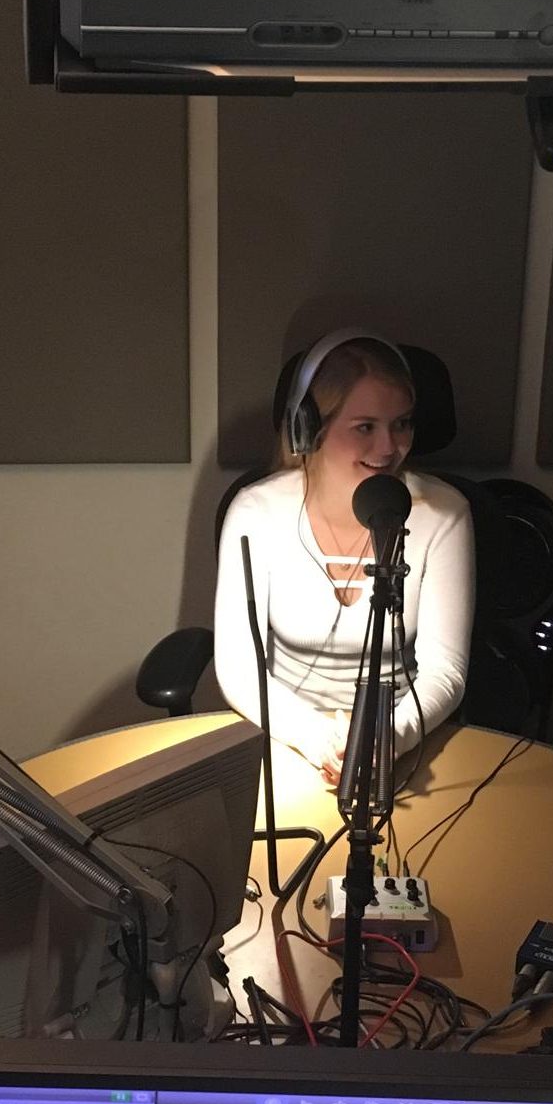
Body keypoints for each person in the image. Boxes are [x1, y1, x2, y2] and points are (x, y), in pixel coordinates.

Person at [214, 332, 474, 785]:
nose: (389, 448)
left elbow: (445, 669)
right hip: (288, 742)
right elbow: (238, 667)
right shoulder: (256, 512)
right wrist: (318, 740)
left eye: (402, 424)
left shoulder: (443, 514)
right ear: (309, 428)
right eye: (365, 427)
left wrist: (388, 738)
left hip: (401, 744)